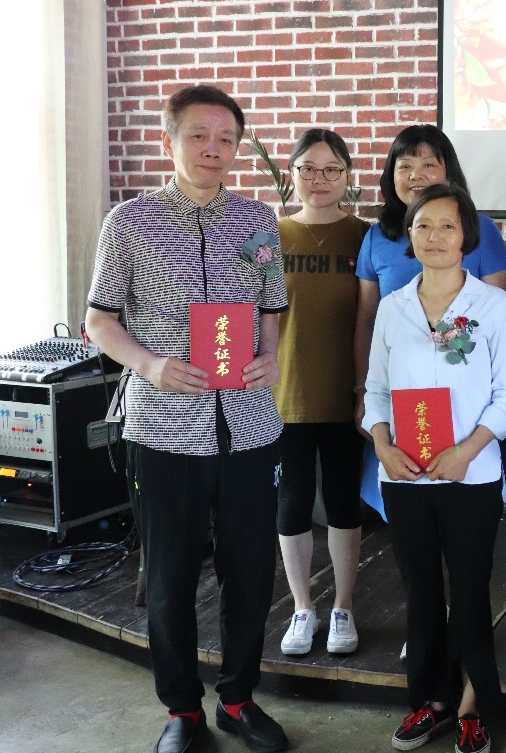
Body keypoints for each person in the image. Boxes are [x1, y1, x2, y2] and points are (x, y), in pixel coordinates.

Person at [85, 84, 289, 753]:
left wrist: (270, 354)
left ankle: (238, 698)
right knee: (169, 579)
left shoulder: (258, 220)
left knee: (250, 572)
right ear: (168, 140)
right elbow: (99, 321)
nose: (213, 149)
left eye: (226, 138)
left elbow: (272, 305)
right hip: (164, 426)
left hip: (249, 426)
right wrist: (150, 365)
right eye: (199, 135)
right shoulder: (129, 222)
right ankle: (182, 710)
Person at [364, 184, 506, 753]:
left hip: (470, 474)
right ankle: (429, 703)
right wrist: (382, 444)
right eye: (423, 225)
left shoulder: (491, 305)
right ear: (409, 236)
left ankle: (473, 706)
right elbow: (375, 389)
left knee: (471, 592)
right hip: (404, 474)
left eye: (447, 226)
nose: (435, 236)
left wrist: (468, 450)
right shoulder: (393, 307)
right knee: (422, 592)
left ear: (466, 236)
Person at [353, 124, 506, 523]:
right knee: (410, 525)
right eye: (405, 166)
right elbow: (367, 321)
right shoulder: (377, 238)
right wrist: (362, 393)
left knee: (467, 530)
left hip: (467, 416)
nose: (416, 175)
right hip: (401, 410)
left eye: (429, 164)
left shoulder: (481, 230)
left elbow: (497, 323)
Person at [272, 129, 371, 657]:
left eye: (332, 168)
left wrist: (365, 390)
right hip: (283, 395)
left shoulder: (366, 237)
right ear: (292, 174)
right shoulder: (269, 235)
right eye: (308, 168)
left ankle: (343, 607)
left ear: (347, 176)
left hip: (346, 394)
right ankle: (302, 608)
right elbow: (248, 309)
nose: (319, 179)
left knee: (342, 501)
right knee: (291, 503)